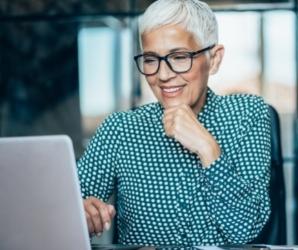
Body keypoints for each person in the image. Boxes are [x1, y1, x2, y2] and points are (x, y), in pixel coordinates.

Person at [78, 0, 272, 246]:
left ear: (214, 59)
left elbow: (244, 231)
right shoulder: (121, 129)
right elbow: (64, 210)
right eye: (150, 60)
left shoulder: (247, 114)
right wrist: (82, 213)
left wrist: (207, 148)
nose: (163, 75)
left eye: (179, 57)